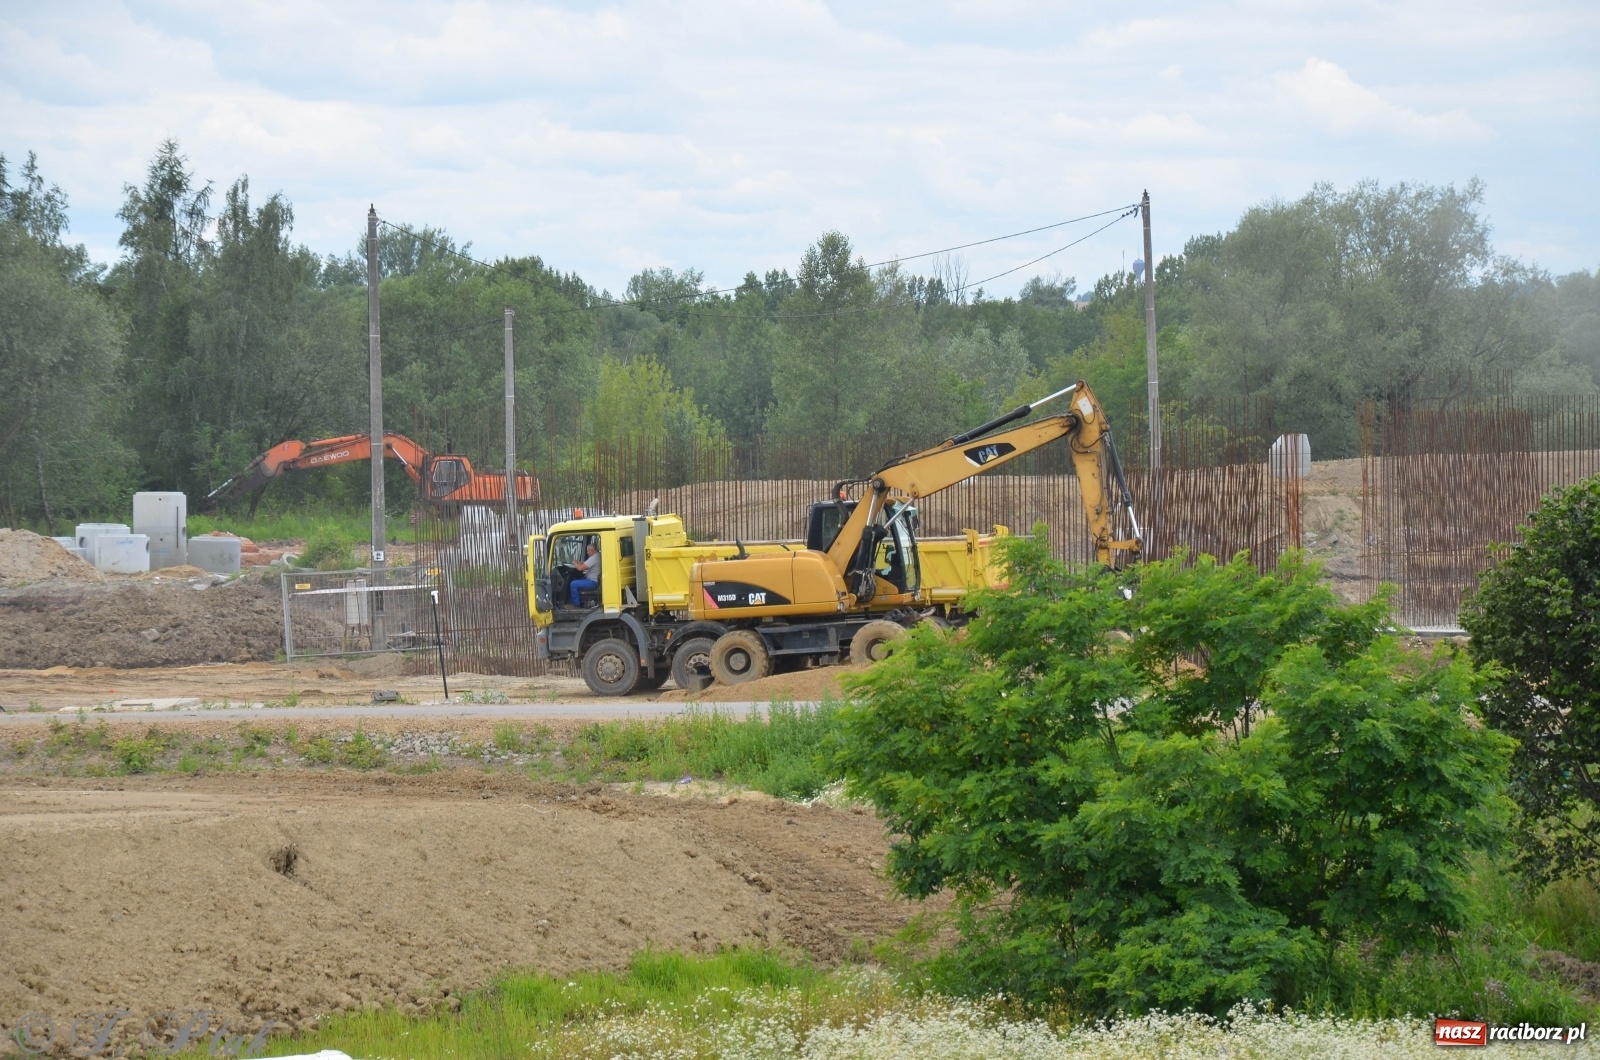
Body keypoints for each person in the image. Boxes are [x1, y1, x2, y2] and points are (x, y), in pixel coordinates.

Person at [568, 540, 600, 606]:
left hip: (593, 582)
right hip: (593, 580)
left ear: (592, 550)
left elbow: (580, 568)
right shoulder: (598, 555)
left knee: (573, 584)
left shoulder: (594, 557)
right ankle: (571, 602)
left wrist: (575, 563)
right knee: (573, 580)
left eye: (588, 551)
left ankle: (576, 605)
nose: (587, 553)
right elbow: (588, 566)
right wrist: (582, 564)